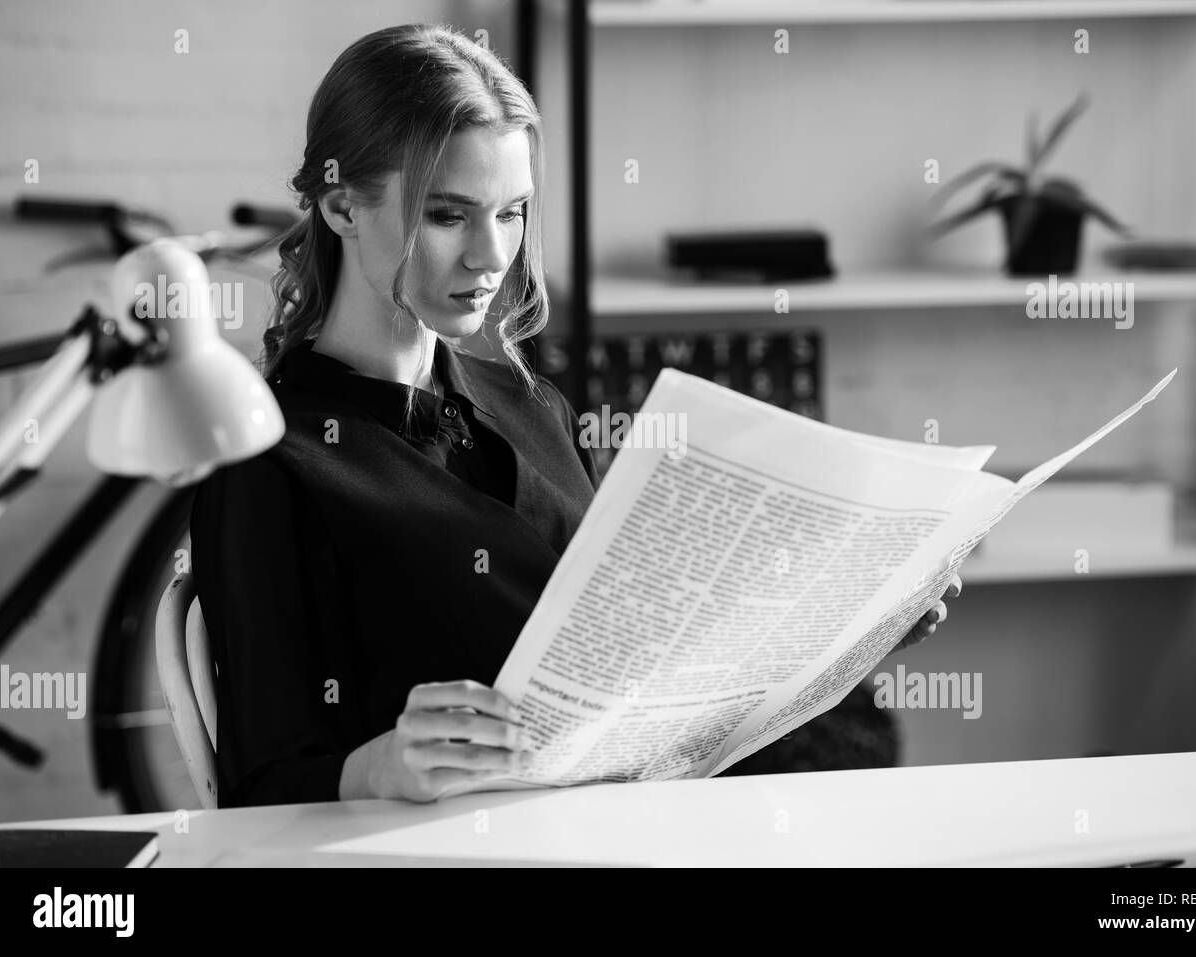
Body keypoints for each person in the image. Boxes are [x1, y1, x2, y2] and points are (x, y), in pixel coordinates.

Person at [190, 23, 960, 809]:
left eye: (512, 212)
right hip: (451, 848)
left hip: (614, 810)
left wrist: (833, 634)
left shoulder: (530, 405)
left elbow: (638, 665)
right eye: (448, 215)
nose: (493, 256)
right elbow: (262, 785)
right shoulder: (268, 460)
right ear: (342, 206)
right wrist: (380, 766)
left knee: (855, 738)